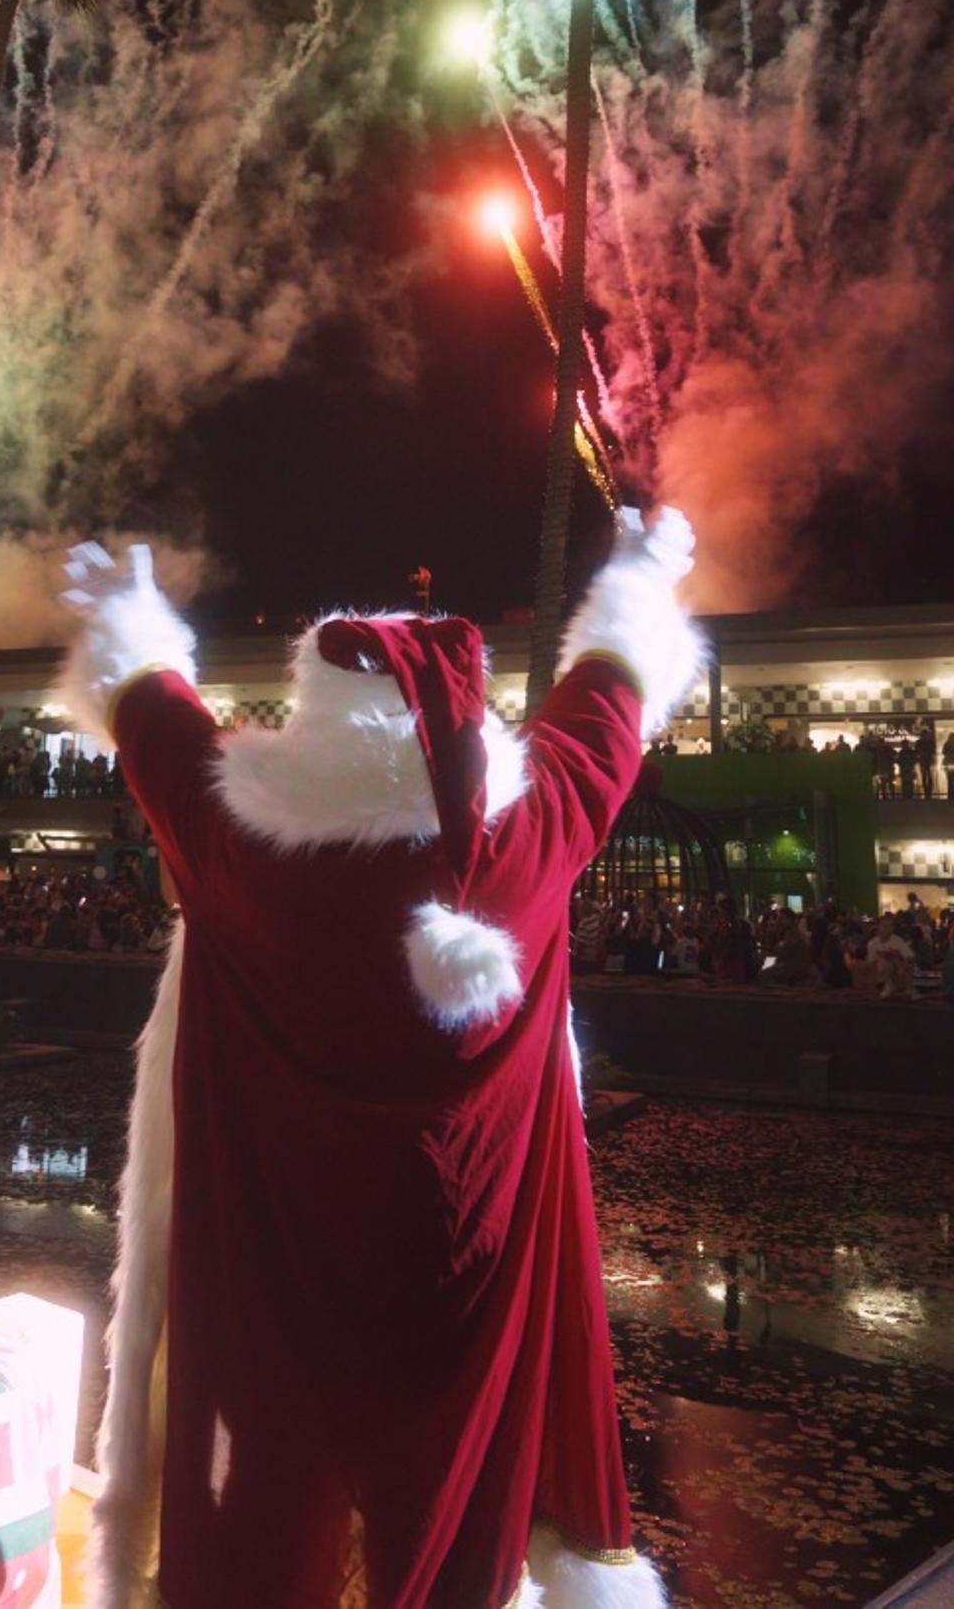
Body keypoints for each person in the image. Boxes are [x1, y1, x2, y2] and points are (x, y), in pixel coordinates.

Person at [62, 509, 701, 1609]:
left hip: (277, 1268)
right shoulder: (524, 837)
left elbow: (153, 719)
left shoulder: (235, 838)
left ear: (313, 708)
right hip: (462, 1268)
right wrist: (639, 573)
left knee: (266, 1493)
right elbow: (604, 712)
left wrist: (127, 610)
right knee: (452, 1505)